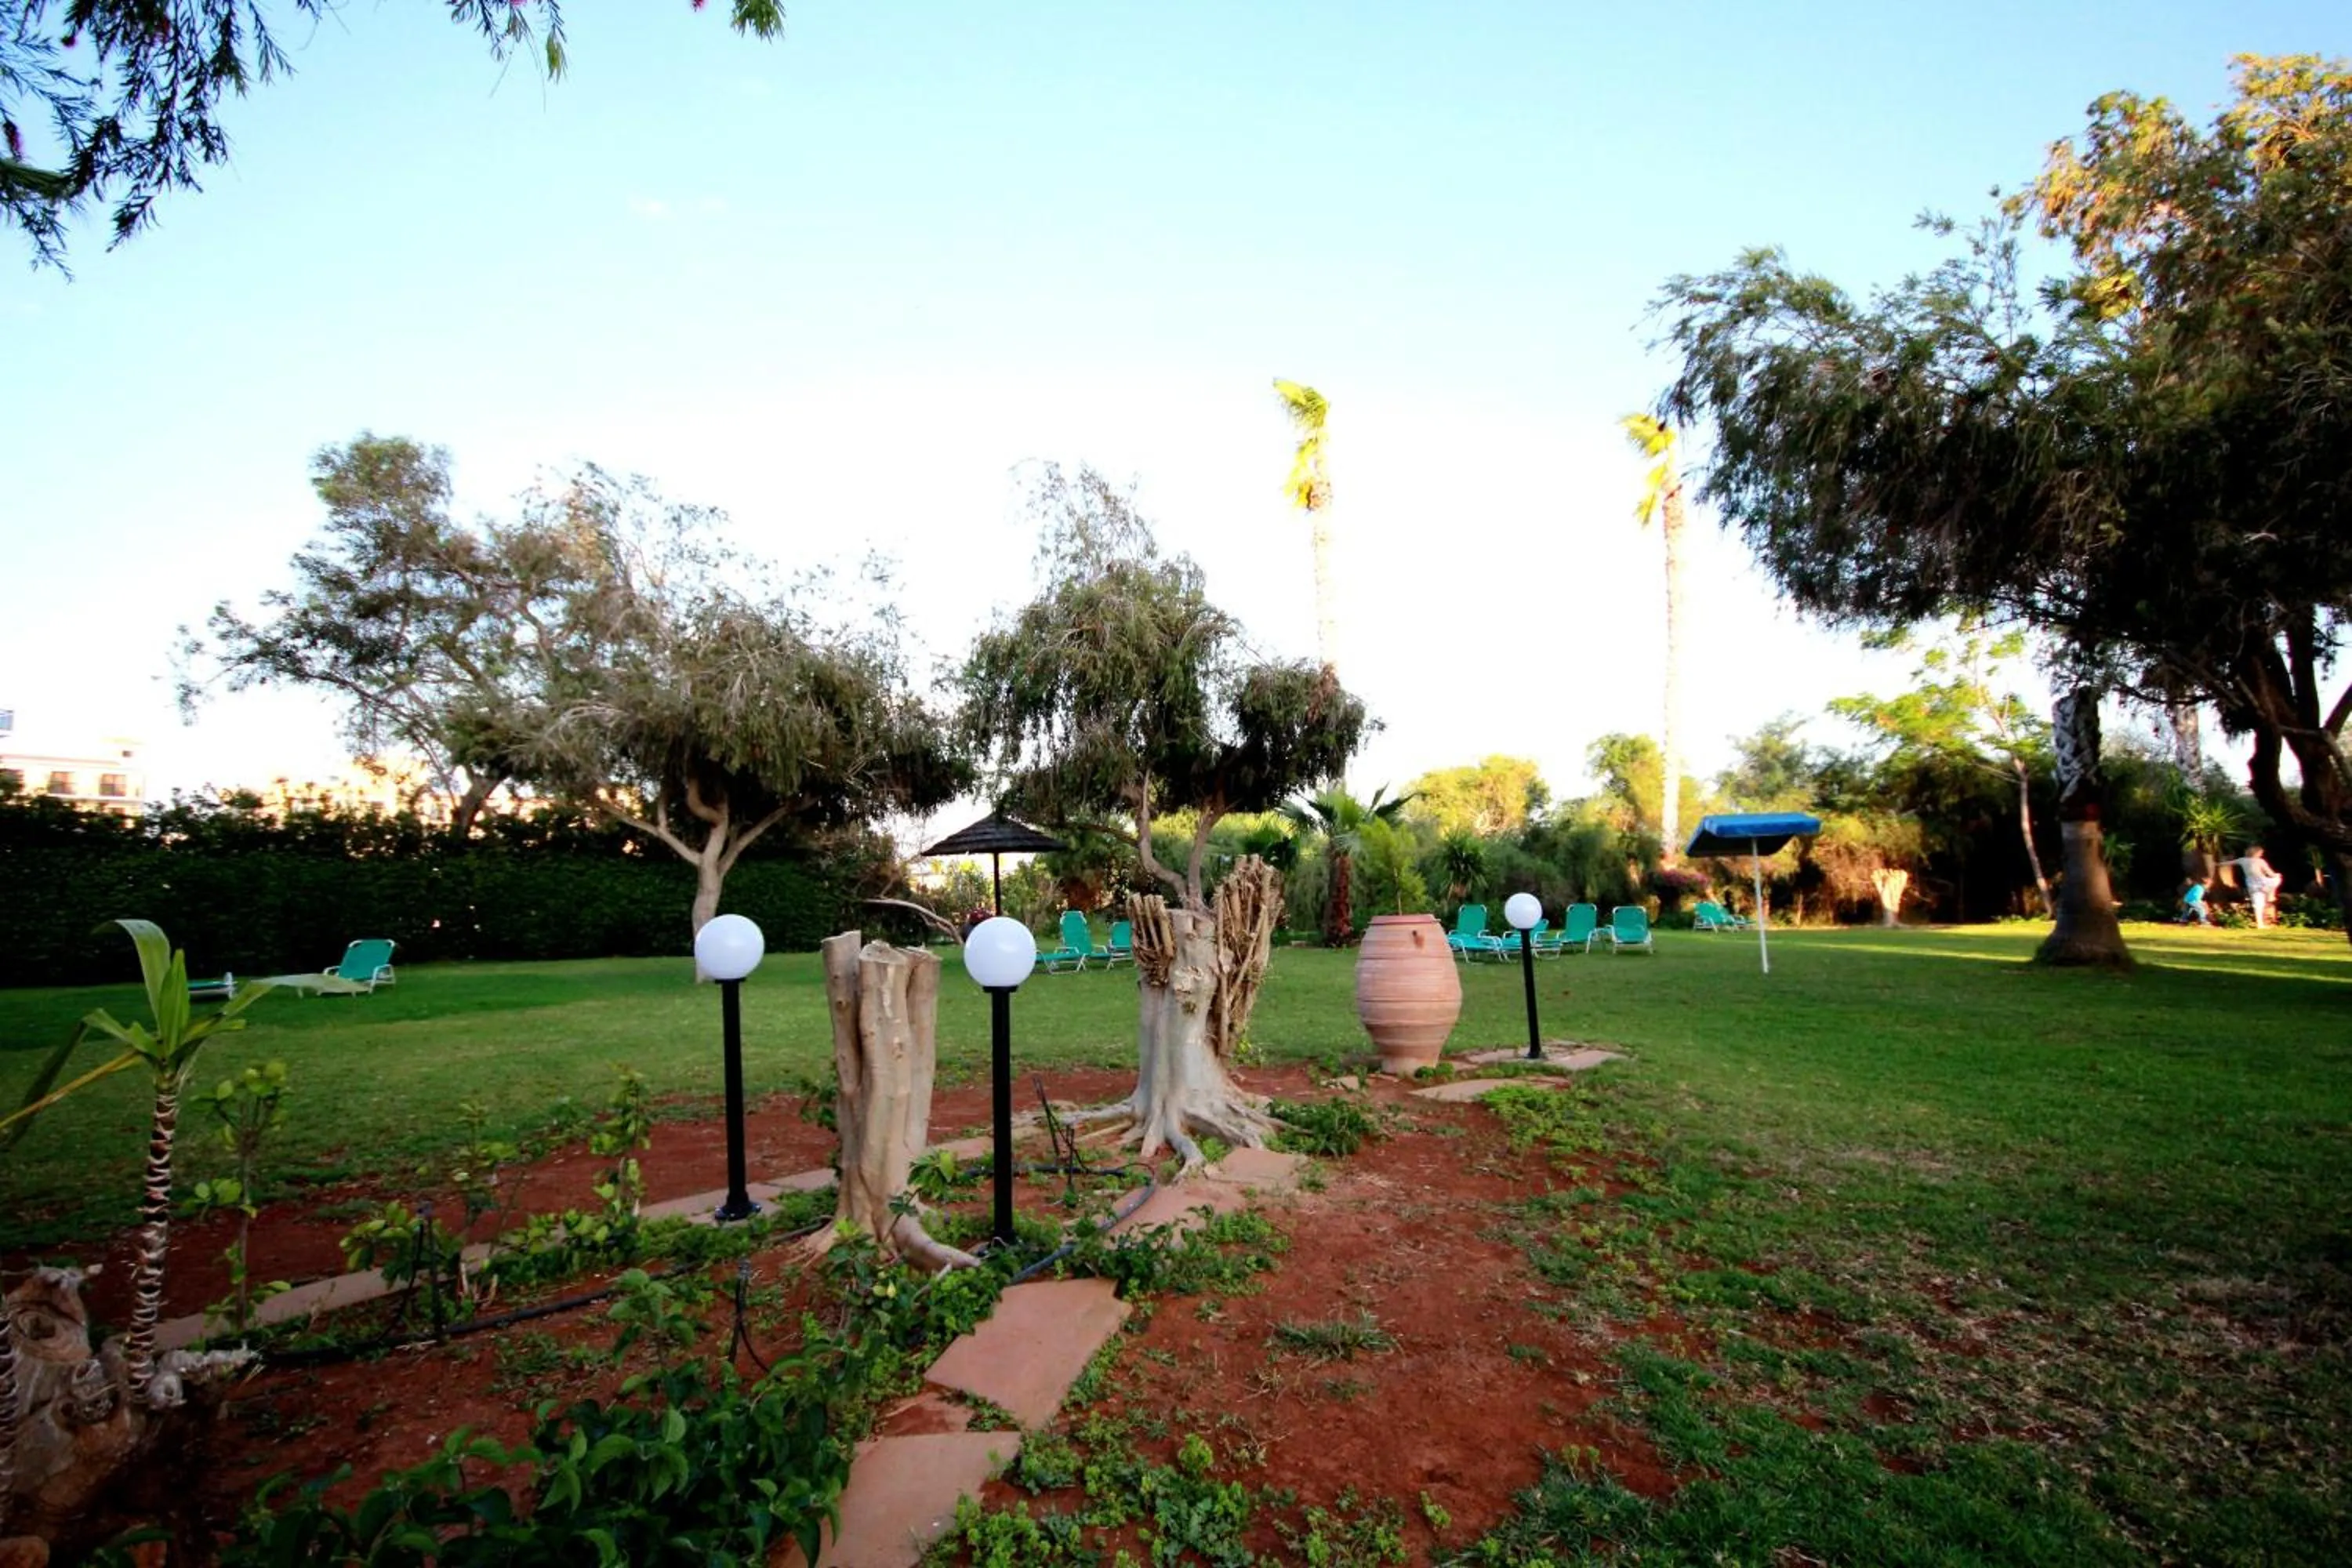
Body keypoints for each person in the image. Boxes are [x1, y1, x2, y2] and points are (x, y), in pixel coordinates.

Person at [2239, 846, 2284, 927]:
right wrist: (2277, 875)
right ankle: (2271, 895)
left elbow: (2227, 863)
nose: (2261, 854)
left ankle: (2260, 924)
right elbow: (2270, 873)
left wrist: (2216, 864)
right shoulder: (2260, 861)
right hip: (2261, 882)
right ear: (2256, 853)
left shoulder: (2242, 860)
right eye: (2260, 853)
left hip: (2252, 884)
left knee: (2258, 905)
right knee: (2277, 879)